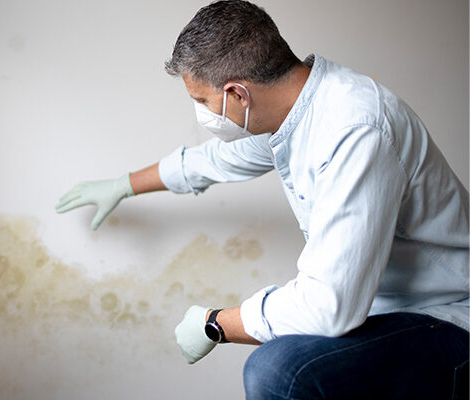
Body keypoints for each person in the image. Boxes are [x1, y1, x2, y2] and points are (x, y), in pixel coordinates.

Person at [54, 1, 469, 398]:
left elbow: (329, 307)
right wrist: (123, 184)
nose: (201, 112)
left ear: (238, 94)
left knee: (278, 370)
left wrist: (215, 323)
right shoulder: (296, 114)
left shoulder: (355, 128)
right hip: (384, 312)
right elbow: (212, 161)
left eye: (201, 100)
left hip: (445, 317)